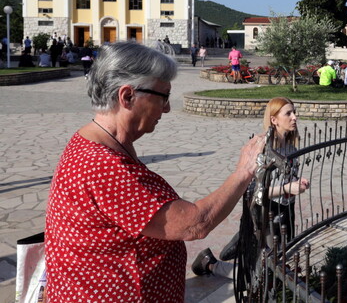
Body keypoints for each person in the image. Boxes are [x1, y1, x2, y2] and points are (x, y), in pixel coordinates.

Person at [44, 41, 265, 302]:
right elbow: (194, 224)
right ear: (127, 96)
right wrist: (244, 171)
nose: (168, 108)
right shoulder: (104, 165)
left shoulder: (100, 142)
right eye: (163, 96)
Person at [192, 97, 310, 277]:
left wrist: (297, 182)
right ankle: (210, 263)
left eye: (294, 112)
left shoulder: (291, 146)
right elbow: (255, 191)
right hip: (264, 212)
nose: (294, 117)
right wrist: (287, 188)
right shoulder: (263, 147)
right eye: (289, 113)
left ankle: (241, 242)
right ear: (274, 119)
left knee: (279, 261)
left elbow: (286, 178)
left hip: (286, 210)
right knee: (261, 275)